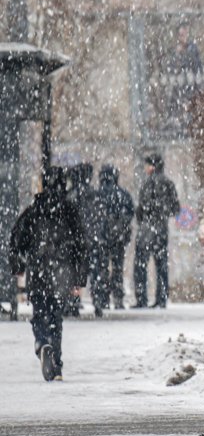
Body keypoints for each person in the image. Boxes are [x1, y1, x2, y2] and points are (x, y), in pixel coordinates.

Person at [9, 167, 88, 381]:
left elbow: (17, 238)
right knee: (56, 316)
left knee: (40, 312)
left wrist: (18, 264)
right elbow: (82, 244)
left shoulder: (34, 209)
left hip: (39, 268)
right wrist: (80, 276)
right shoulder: (69, 210)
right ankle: (57, 365)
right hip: (61, 271)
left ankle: (41, 342)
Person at [133, 153, 180, 308]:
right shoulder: (168, 183)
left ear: (152, 166)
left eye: (147, 165)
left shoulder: (146, 183)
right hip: (161, 228)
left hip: (146, 229)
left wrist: (144, 216)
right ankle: (162, 298)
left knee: (141, 264)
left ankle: (141, 298)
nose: (145, 168)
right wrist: (162, 213)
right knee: (161, 265)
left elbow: (141, 208)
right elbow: (176, 208)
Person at [93, 164, 134, 312]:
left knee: (101, 268)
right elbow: (130, 213)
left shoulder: (97, 194)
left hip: (101, 238)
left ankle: (102, 299)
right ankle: (118, 299)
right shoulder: (123, 194)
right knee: (117, 269)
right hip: (119, 238)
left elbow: (92, 216)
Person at [64, 163, 98, 317]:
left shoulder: (70, 195)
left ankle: (74, 300)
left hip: (76, 239)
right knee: (95, 270)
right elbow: (98, 217)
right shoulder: (94, 194)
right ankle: (98, 301)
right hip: (91, 237)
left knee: (74, 271)